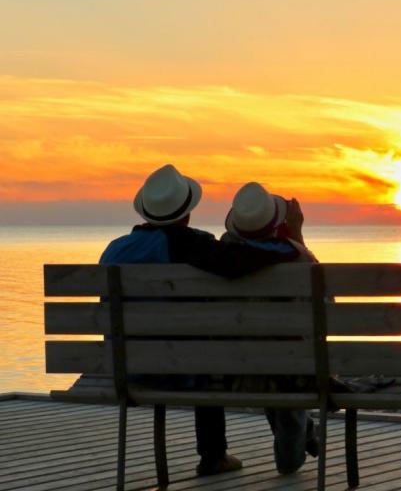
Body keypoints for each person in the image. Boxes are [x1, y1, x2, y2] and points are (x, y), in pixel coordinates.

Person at [99, 165, 302, 477]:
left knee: (197, 347)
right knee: (204, 350)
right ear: (188, 212)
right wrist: (290, 242)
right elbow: (238, 263)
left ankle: (215, 456)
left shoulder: (115, 249)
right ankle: (213, 457)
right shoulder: (189, 245)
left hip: (126, 368)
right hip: (181, 370)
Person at [222, 181, 319, 475]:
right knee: (285, 356)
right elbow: (325, 307)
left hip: (232, 369)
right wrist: (297, 235)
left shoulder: (217, 258)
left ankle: (306, 434)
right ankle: (297, 445)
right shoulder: (297, 256)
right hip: (290, 370)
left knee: (264, 351)